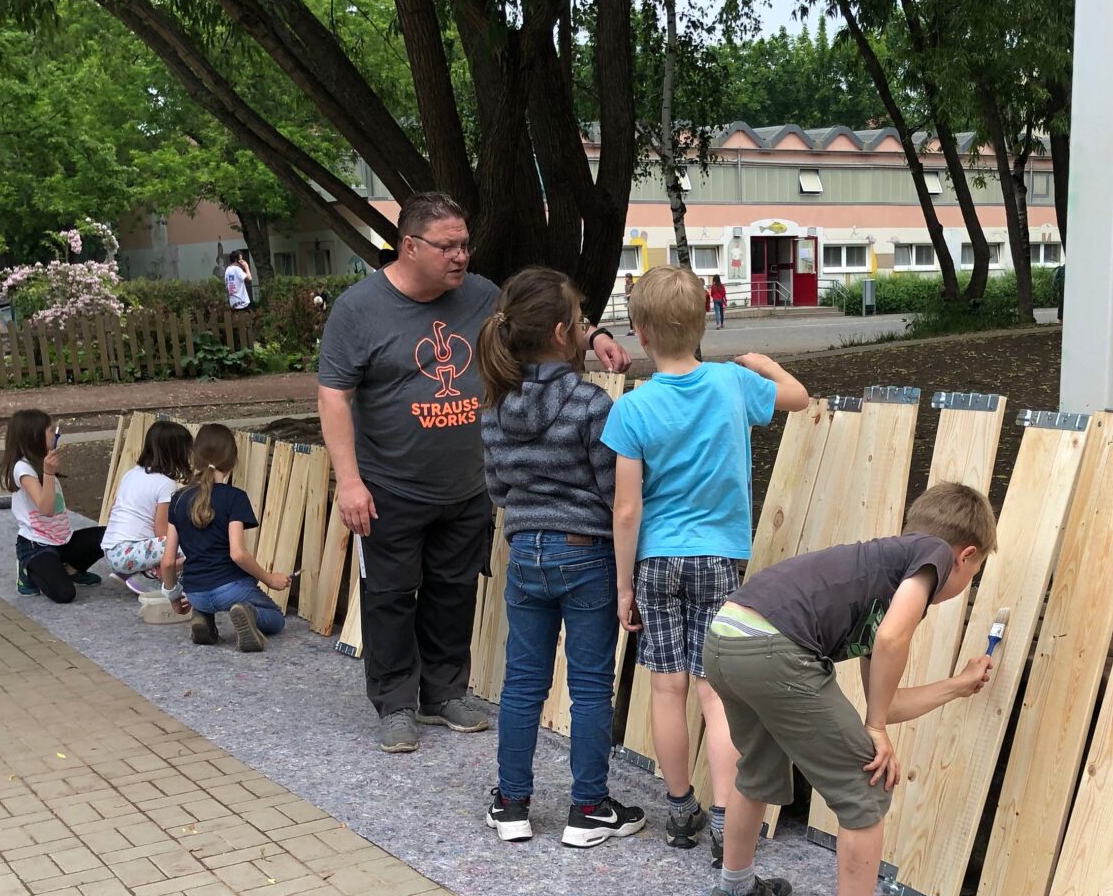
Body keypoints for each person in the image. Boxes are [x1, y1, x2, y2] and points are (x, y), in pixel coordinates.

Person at [317, 191, 630, 756]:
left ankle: (443, 693)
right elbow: (334, 396)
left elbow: (540, 325)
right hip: (390, 484)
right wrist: (351, 480)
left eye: (465, 244)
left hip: (468, 484)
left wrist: (595, 335)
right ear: (410, 246)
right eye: (448, 246)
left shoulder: (482, 295)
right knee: (390, 594)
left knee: (454, 590)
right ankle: (394, 704)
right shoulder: (359, 309)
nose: (461, 256)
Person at [701, 482, 998, 896]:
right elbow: (892, 641)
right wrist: (876, 728)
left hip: (727, 638)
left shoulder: (873, 577)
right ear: (965, 557)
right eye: (974, 573)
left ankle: (734, 890)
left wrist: (957, 686)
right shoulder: (931, 556)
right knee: (866, 789)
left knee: (757, 769)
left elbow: (886, 698)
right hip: (776, 649)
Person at [607, 267, 808, 857]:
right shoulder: (730, 385)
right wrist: (764, 365)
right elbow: (798, 397)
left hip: (656, 561)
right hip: (719, 558)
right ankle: (726, 819)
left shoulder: (633, 409)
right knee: (715, 693)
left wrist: (625, 589)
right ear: (702, 326)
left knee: (666, 689)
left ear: (640, 334)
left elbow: (625, 511)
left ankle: (679, 811)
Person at [475, 267, 646, 848]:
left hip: (525, 552)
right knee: (591, 685)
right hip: (587, 555)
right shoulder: (592, 404)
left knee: (522, 682)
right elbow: (610, 489)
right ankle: (589, 808)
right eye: (579, 321)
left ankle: (511, 804)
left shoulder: (493, 406)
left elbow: (498, 488)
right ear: (560, 332)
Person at [160, 423, 293, 652]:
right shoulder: (235, 497)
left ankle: (203, 617)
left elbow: (168, 562)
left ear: (194, 457)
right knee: (276, 618)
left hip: (195, 593)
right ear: (233, 462)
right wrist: (270, 579)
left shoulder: (178, 499)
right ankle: (246, 612)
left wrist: (173, 596)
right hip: (231, 589)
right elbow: (238, 554)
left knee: (207, 601)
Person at [0, 408, 105, 603]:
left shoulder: (41, 461)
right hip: (36, 545)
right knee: (65, 594)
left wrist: (49, 471)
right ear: (35, 436)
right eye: (50, 431)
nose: (56, 435)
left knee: (108, 536)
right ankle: (28, 571)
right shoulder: (23, 468)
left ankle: (70, 570)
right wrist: (48, 473)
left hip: (62, 540)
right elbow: (45, 509)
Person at [101, 419, 191, 590]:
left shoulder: (131, 473)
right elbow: (161, 531)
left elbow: (114, 509)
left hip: (112, 550)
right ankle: (150, 577)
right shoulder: (166, 484)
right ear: (176, 452)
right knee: (192, 545)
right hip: (128, 553)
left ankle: (131, 571)